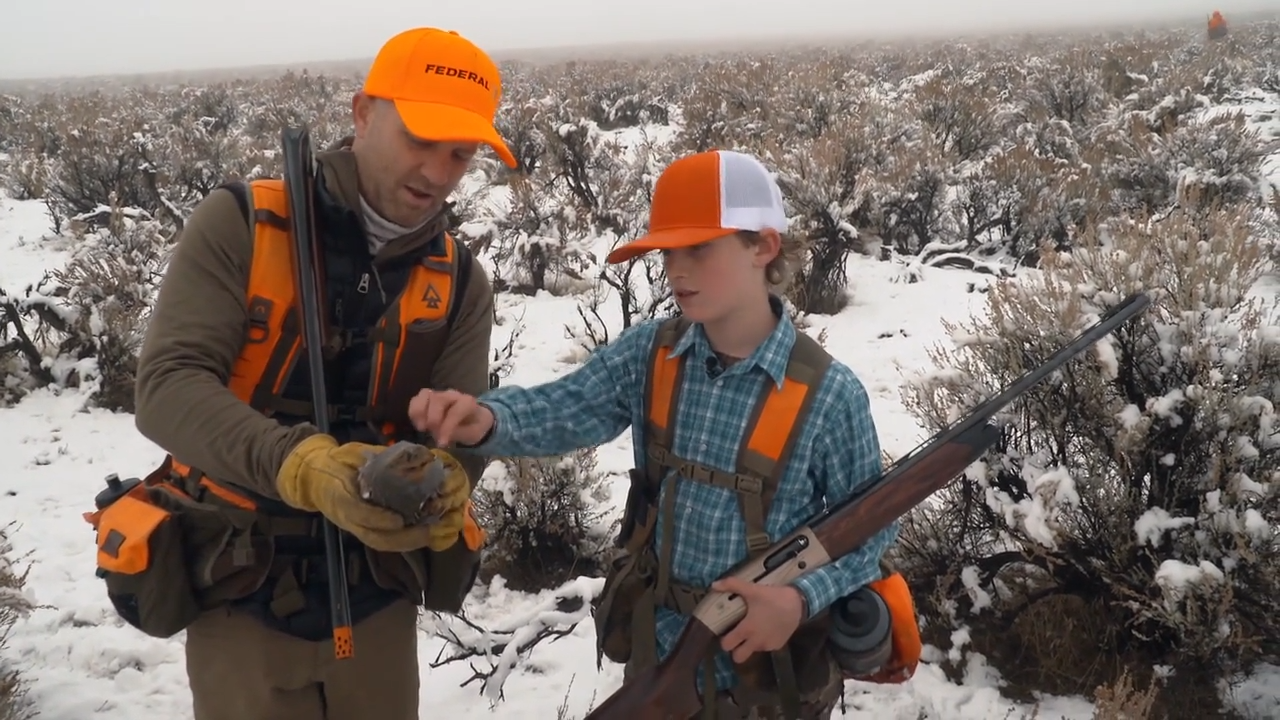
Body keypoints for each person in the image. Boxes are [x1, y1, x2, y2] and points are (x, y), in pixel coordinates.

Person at [408, 149, 900, 718]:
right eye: (668, 251)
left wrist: (798, 600)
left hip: (770, 679)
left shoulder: (829, 396)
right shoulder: (652, 353)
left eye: (699, 248)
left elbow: (870, 533)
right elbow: (568, 406)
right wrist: (488, 420)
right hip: (660, 655)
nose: (676, 269)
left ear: (764, 246)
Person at [129, 26, 515, 720]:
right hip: (239, 586)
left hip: (377, 596)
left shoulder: (460, 282)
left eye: (460, 153)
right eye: (421, 138)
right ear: (363, 113)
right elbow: (166, 387)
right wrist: (301, 465)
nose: (438, 172)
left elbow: (461, 436)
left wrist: (446, 473)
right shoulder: (242, 224)